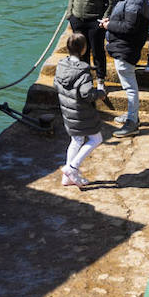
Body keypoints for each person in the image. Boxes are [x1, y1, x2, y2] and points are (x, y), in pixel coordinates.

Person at [103, 0, 149, 137]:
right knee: (127, 84)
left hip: (126, 48)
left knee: (130, 86)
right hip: (123, 46)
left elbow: (130, 26)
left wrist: (109, 25)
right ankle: (132, 115)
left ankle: (132, 121)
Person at [56, 31, 104, 189]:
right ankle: (72, 168)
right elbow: (87, 94)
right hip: (82, 113)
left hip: (67, 112)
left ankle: (67, 177)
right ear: (84, 49)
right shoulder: (83, 71)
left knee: (76, 140)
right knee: (96, 139)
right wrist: (100, 93)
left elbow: (56, 85)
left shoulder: (61, 65)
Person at [68, 0, 112, 91]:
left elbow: (111, 1)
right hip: (78, 20)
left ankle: (100, 80)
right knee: (81, 52)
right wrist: (70, 15)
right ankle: (86, 79)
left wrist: (104, 19)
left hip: (94, 22)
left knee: (97, 51)